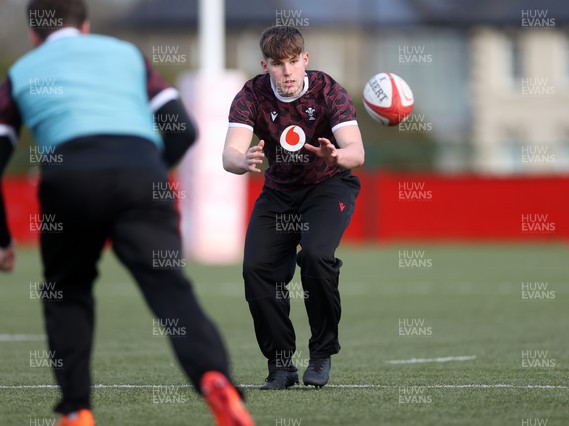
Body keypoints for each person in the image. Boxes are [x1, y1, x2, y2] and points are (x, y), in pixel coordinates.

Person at [0, 1, 253, 425]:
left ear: (33, 34)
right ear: (85, 26)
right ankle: (215, 378)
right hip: (141, 172)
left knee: (68, 292)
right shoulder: (126, 54)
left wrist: (4, 239)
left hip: (69, 178)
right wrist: (150, 173)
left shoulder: (22, 72)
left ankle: (76, 409)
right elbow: (183, 129)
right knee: (170, 289)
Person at [223, 25, 364, 390]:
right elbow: (230, 154)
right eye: (276, 64)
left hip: (328, 184)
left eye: (291, 62)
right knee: (256, 269)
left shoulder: (328, 90)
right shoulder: (251, 94)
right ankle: (281, 365)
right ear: (264, 64)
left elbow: (357, 152)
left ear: (305, 60)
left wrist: (337, 154)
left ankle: (320, 354)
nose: (286, 72)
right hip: (280, 191)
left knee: (316, 257)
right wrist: (241, 162)